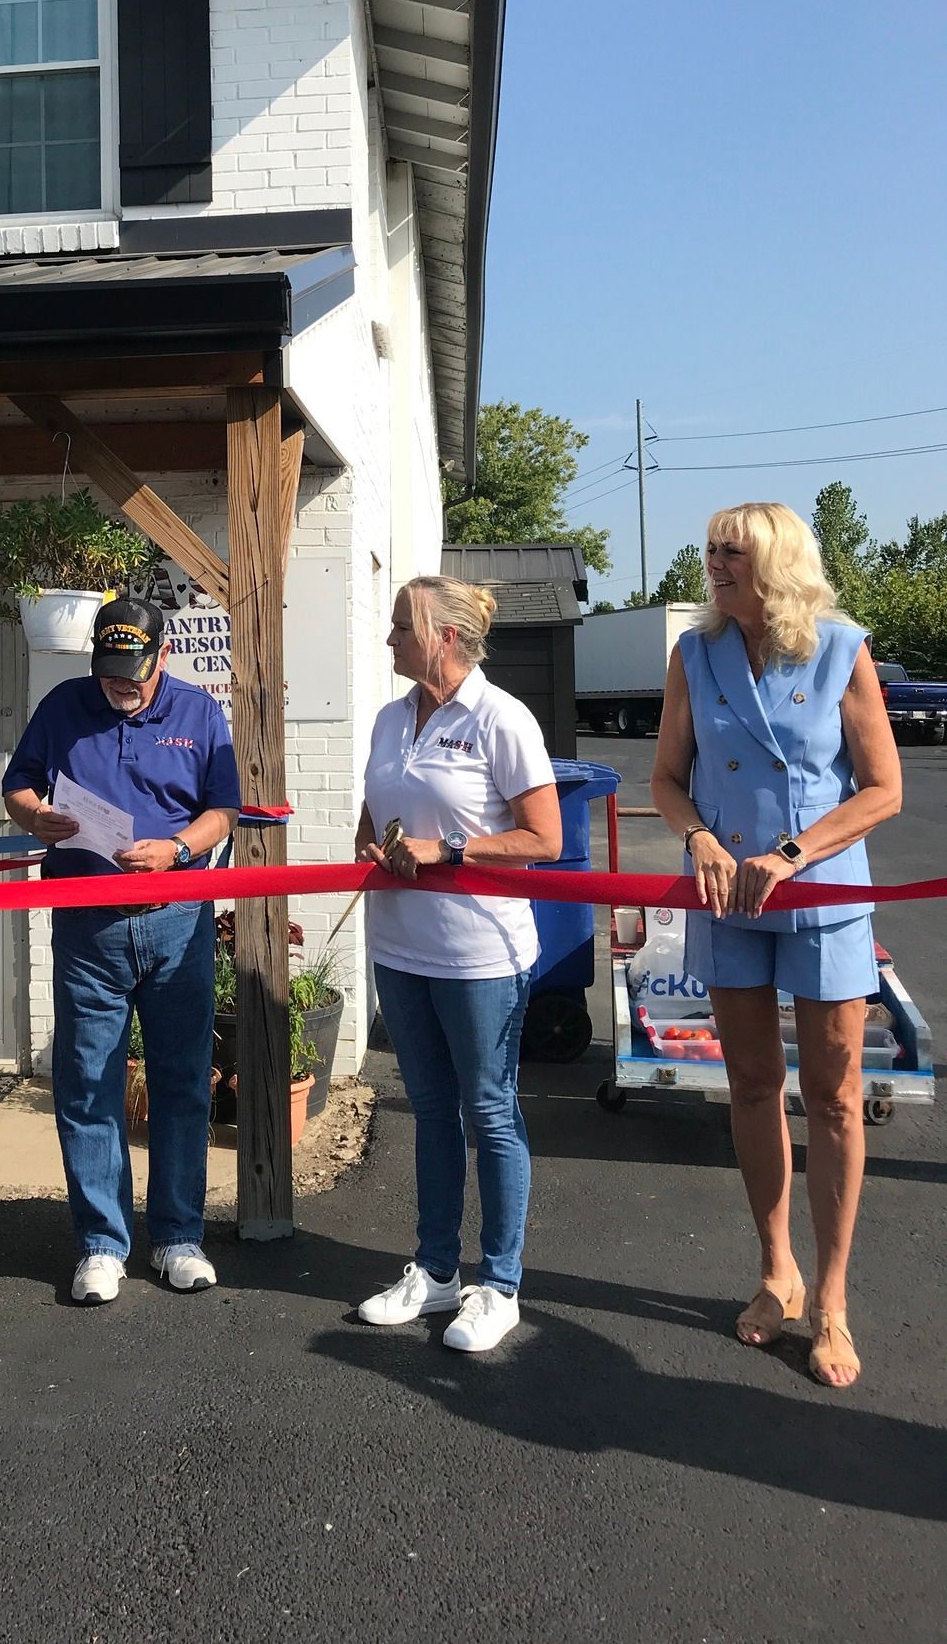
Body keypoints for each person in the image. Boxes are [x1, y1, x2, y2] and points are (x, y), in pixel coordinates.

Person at [650, 503, 900, 1388]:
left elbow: (883, 791)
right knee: (753, 1086)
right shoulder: (696, 654)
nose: (714, 563)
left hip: (825, 897)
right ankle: (776, 1272)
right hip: (728, 899)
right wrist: (701, 841)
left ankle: (831, 1300)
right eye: (710, 548)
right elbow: (667, 779)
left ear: (778, 561)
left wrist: (792, 854)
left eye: (733, 551)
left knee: (834, 1099)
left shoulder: (840, 648)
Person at [3, 597, 240, 1304]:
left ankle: (177, 1237)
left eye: (133, 674)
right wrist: (35, 815)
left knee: (182, 1081)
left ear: (163, 656)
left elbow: (223, 812)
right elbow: (18, 785)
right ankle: (102, 1244)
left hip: (177, 921)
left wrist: (175, 849)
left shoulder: (199, 713)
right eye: (109, 672)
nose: (120, 686)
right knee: (87, 1083)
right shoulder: (62, 706)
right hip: (87, 925)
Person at [354, 577, 562, 1354]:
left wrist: (453, 849)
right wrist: (371, 843)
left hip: (481, 954)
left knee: (491, 1113)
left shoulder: (502, 718)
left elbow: (544, 838)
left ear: (443, 637)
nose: (389, 639)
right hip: (402, 947)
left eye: (401, 626)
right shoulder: (388, 718)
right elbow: (374, 816)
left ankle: (499, 1284)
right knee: (432, 1110)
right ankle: (436, 1269)